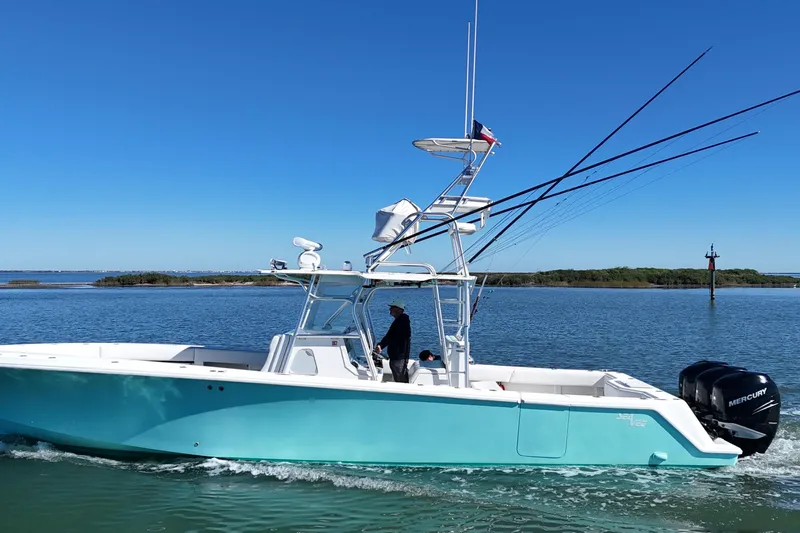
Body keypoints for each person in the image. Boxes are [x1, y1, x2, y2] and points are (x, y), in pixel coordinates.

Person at [375, 299, 411, 383]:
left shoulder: (401, 322)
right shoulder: (401, 321)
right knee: (399, 377)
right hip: (398, 356)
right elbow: (390, 336)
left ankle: (403, 390)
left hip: (398, 356)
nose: (390, 309)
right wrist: (381, 345)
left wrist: (381, 345)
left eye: (392, 307)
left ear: (398, 309)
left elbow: (391, 336)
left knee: (400, 379)